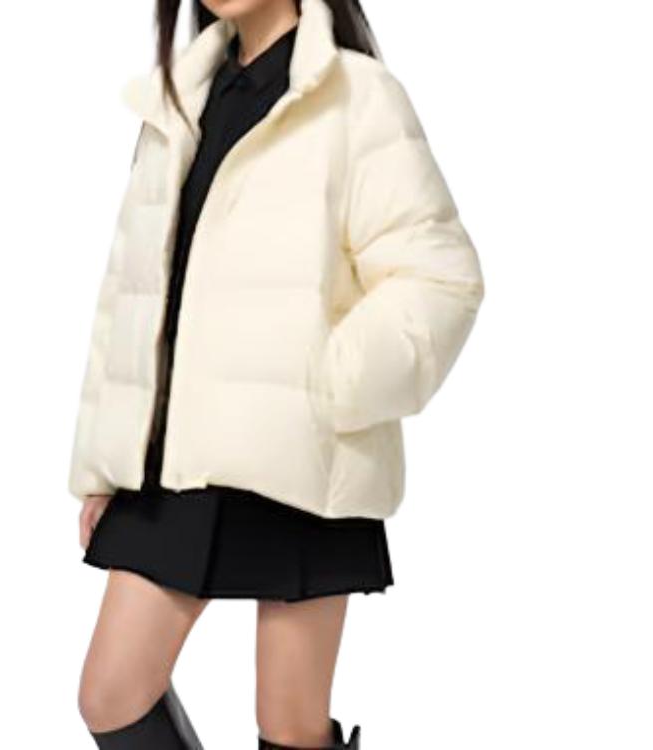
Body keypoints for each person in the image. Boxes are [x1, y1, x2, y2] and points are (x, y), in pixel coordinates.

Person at [68, 0, 485, 747]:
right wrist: (106, 461)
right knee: (111, 694)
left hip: (303, 459)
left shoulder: (357, 95)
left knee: (290, 725)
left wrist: (325, 388)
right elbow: (131, 295)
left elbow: (439, 280)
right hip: (177, 460)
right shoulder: (177, 101)